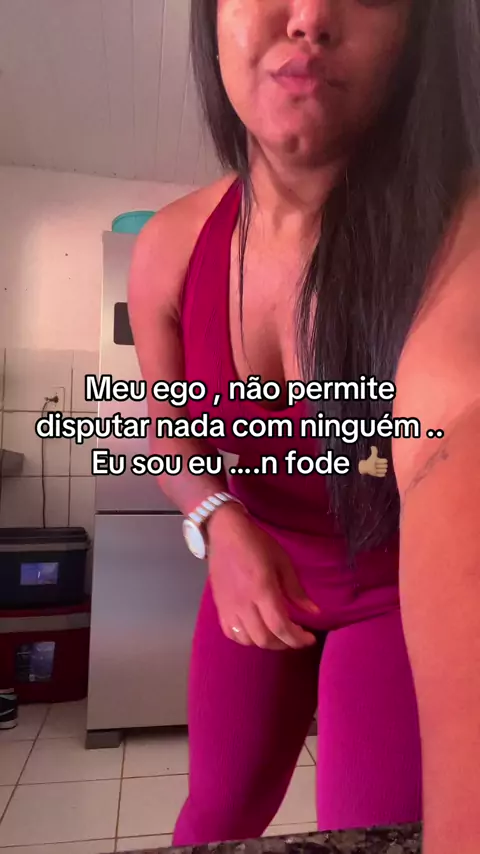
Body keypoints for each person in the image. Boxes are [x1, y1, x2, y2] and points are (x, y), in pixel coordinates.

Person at [128, 1, 480, 852]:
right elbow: (165, 424)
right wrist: (217, 519)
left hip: (395, 596)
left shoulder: (455, 247)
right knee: (212, 819)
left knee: (372, 833)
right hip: (259, 570)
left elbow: (458, 430)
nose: (311, 17)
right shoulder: (171, 245)